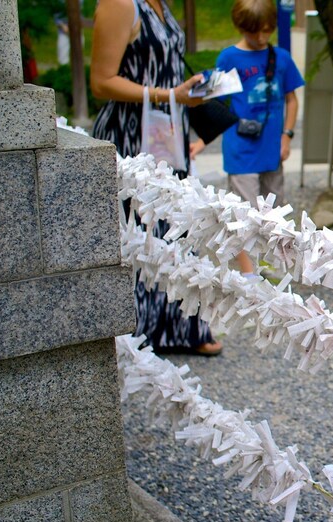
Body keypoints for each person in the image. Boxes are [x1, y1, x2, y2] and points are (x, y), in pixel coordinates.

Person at [90, 0, 222, 356]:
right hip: (133, 133)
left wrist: (189, 91)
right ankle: (136, 332)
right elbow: (101, 82)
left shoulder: (160, 5)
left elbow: (161, 68)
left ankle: (180, 327)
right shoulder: (119, 4)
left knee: (176, 226)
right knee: (139, 231)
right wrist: (168, 95)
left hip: (166, 132)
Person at [216, 0, 304, 274]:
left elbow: (292, 100)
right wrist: (200, 139)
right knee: (245, 211)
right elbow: (216, 103)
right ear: (242, 27)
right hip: (240, 147)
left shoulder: (281, 58)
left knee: (274, 210)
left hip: (271, 148)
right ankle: (247, 273)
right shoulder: (229, 58)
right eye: (255, 32)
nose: (261, 38)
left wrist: (286, 136)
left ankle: (272, 266)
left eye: (266, 31)